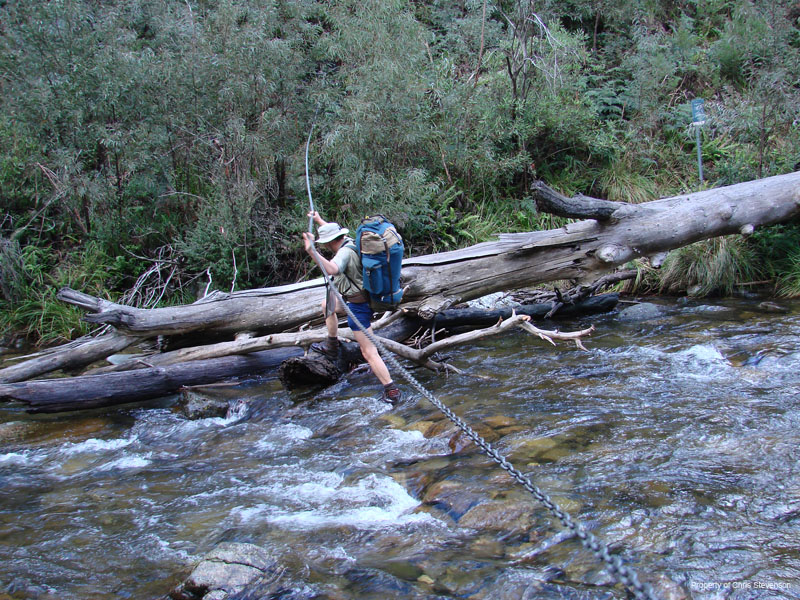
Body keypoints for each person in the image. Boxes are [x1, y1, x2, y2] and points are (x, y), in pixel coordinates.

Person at [302, 211, 402, 404]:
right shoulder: (351, 241)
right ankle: (332, 345)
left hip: (358, 306)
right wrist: (319, 220)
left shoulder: (344, 252)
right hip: (357, 298)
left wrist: (312, 251)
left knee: (368, 351)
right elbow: (333, 231)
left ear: (330, 242)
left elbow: (332, 269)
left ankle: (391, 389)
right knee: (327, 304)